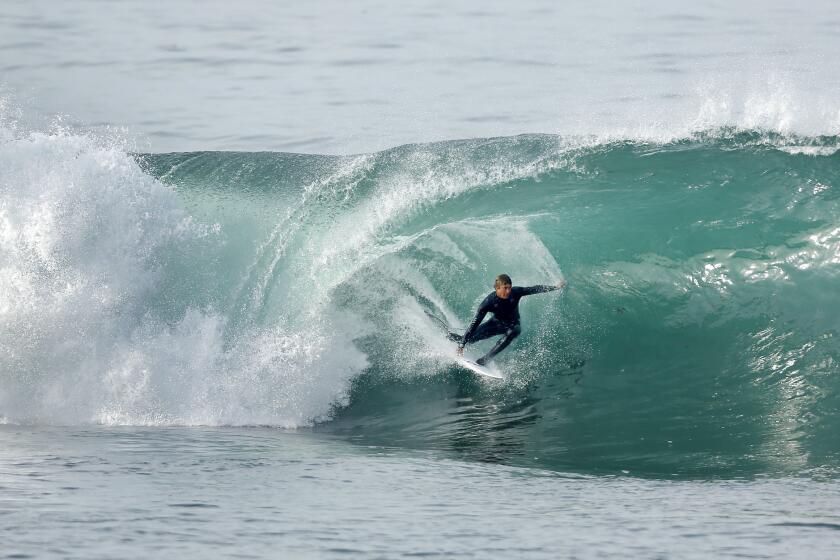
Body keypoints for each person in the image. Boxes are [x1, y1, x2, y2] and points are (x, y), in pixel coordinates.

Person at [450, 274, 566, 366]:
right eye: (505, 288)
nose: (508, 291)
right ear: (497, 288)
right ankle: (451, 337)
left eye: (509, 288)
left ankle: (485, 359)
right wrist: (462, 345)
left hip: (513, 324)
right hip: (495, 324)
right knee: (469, 339)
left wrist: (555, 287)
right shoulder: (487, 303)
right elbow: (474, 324)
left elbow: (534, 289)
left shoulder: (515, 292)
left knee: (513, 331)